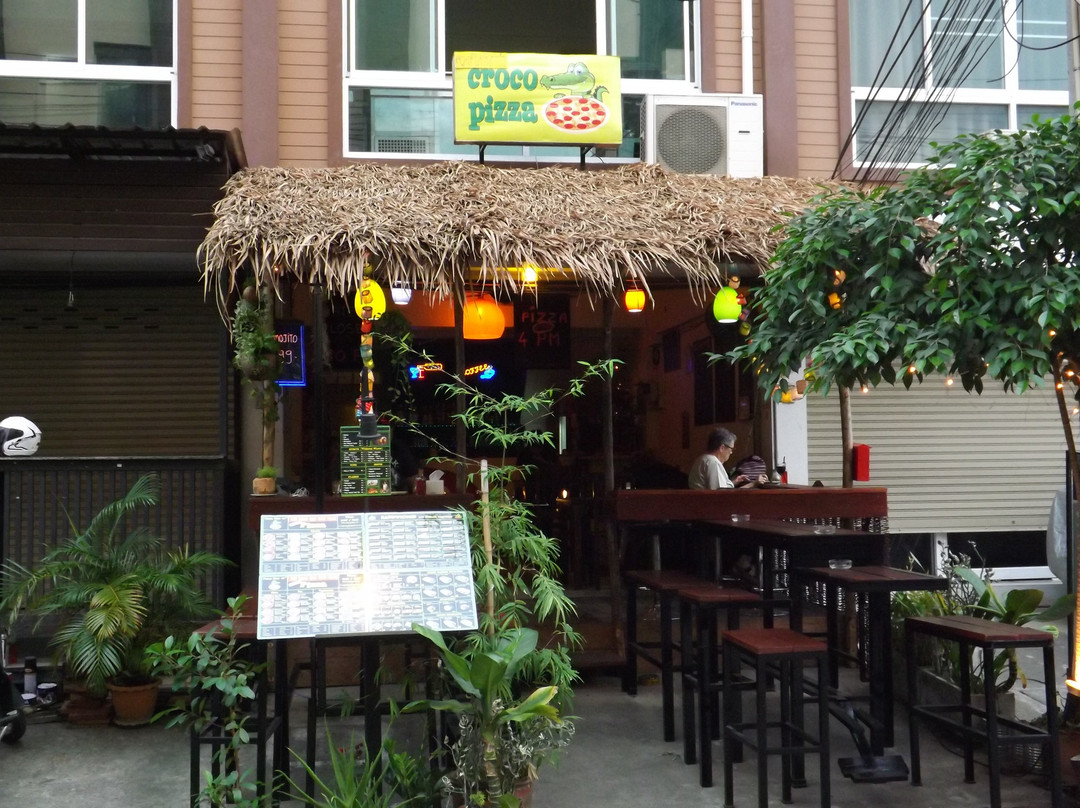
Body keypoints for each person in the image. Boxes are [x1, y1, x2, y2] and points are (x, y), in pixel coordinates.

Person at [688, 427, 767, 489]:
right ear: (722, 448)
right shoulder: (713, 462)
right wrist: (754, 483)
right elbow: (724, 496)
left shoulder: (703, 458)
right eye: (731, 449)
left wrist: (734, 482)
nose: (731, 452)